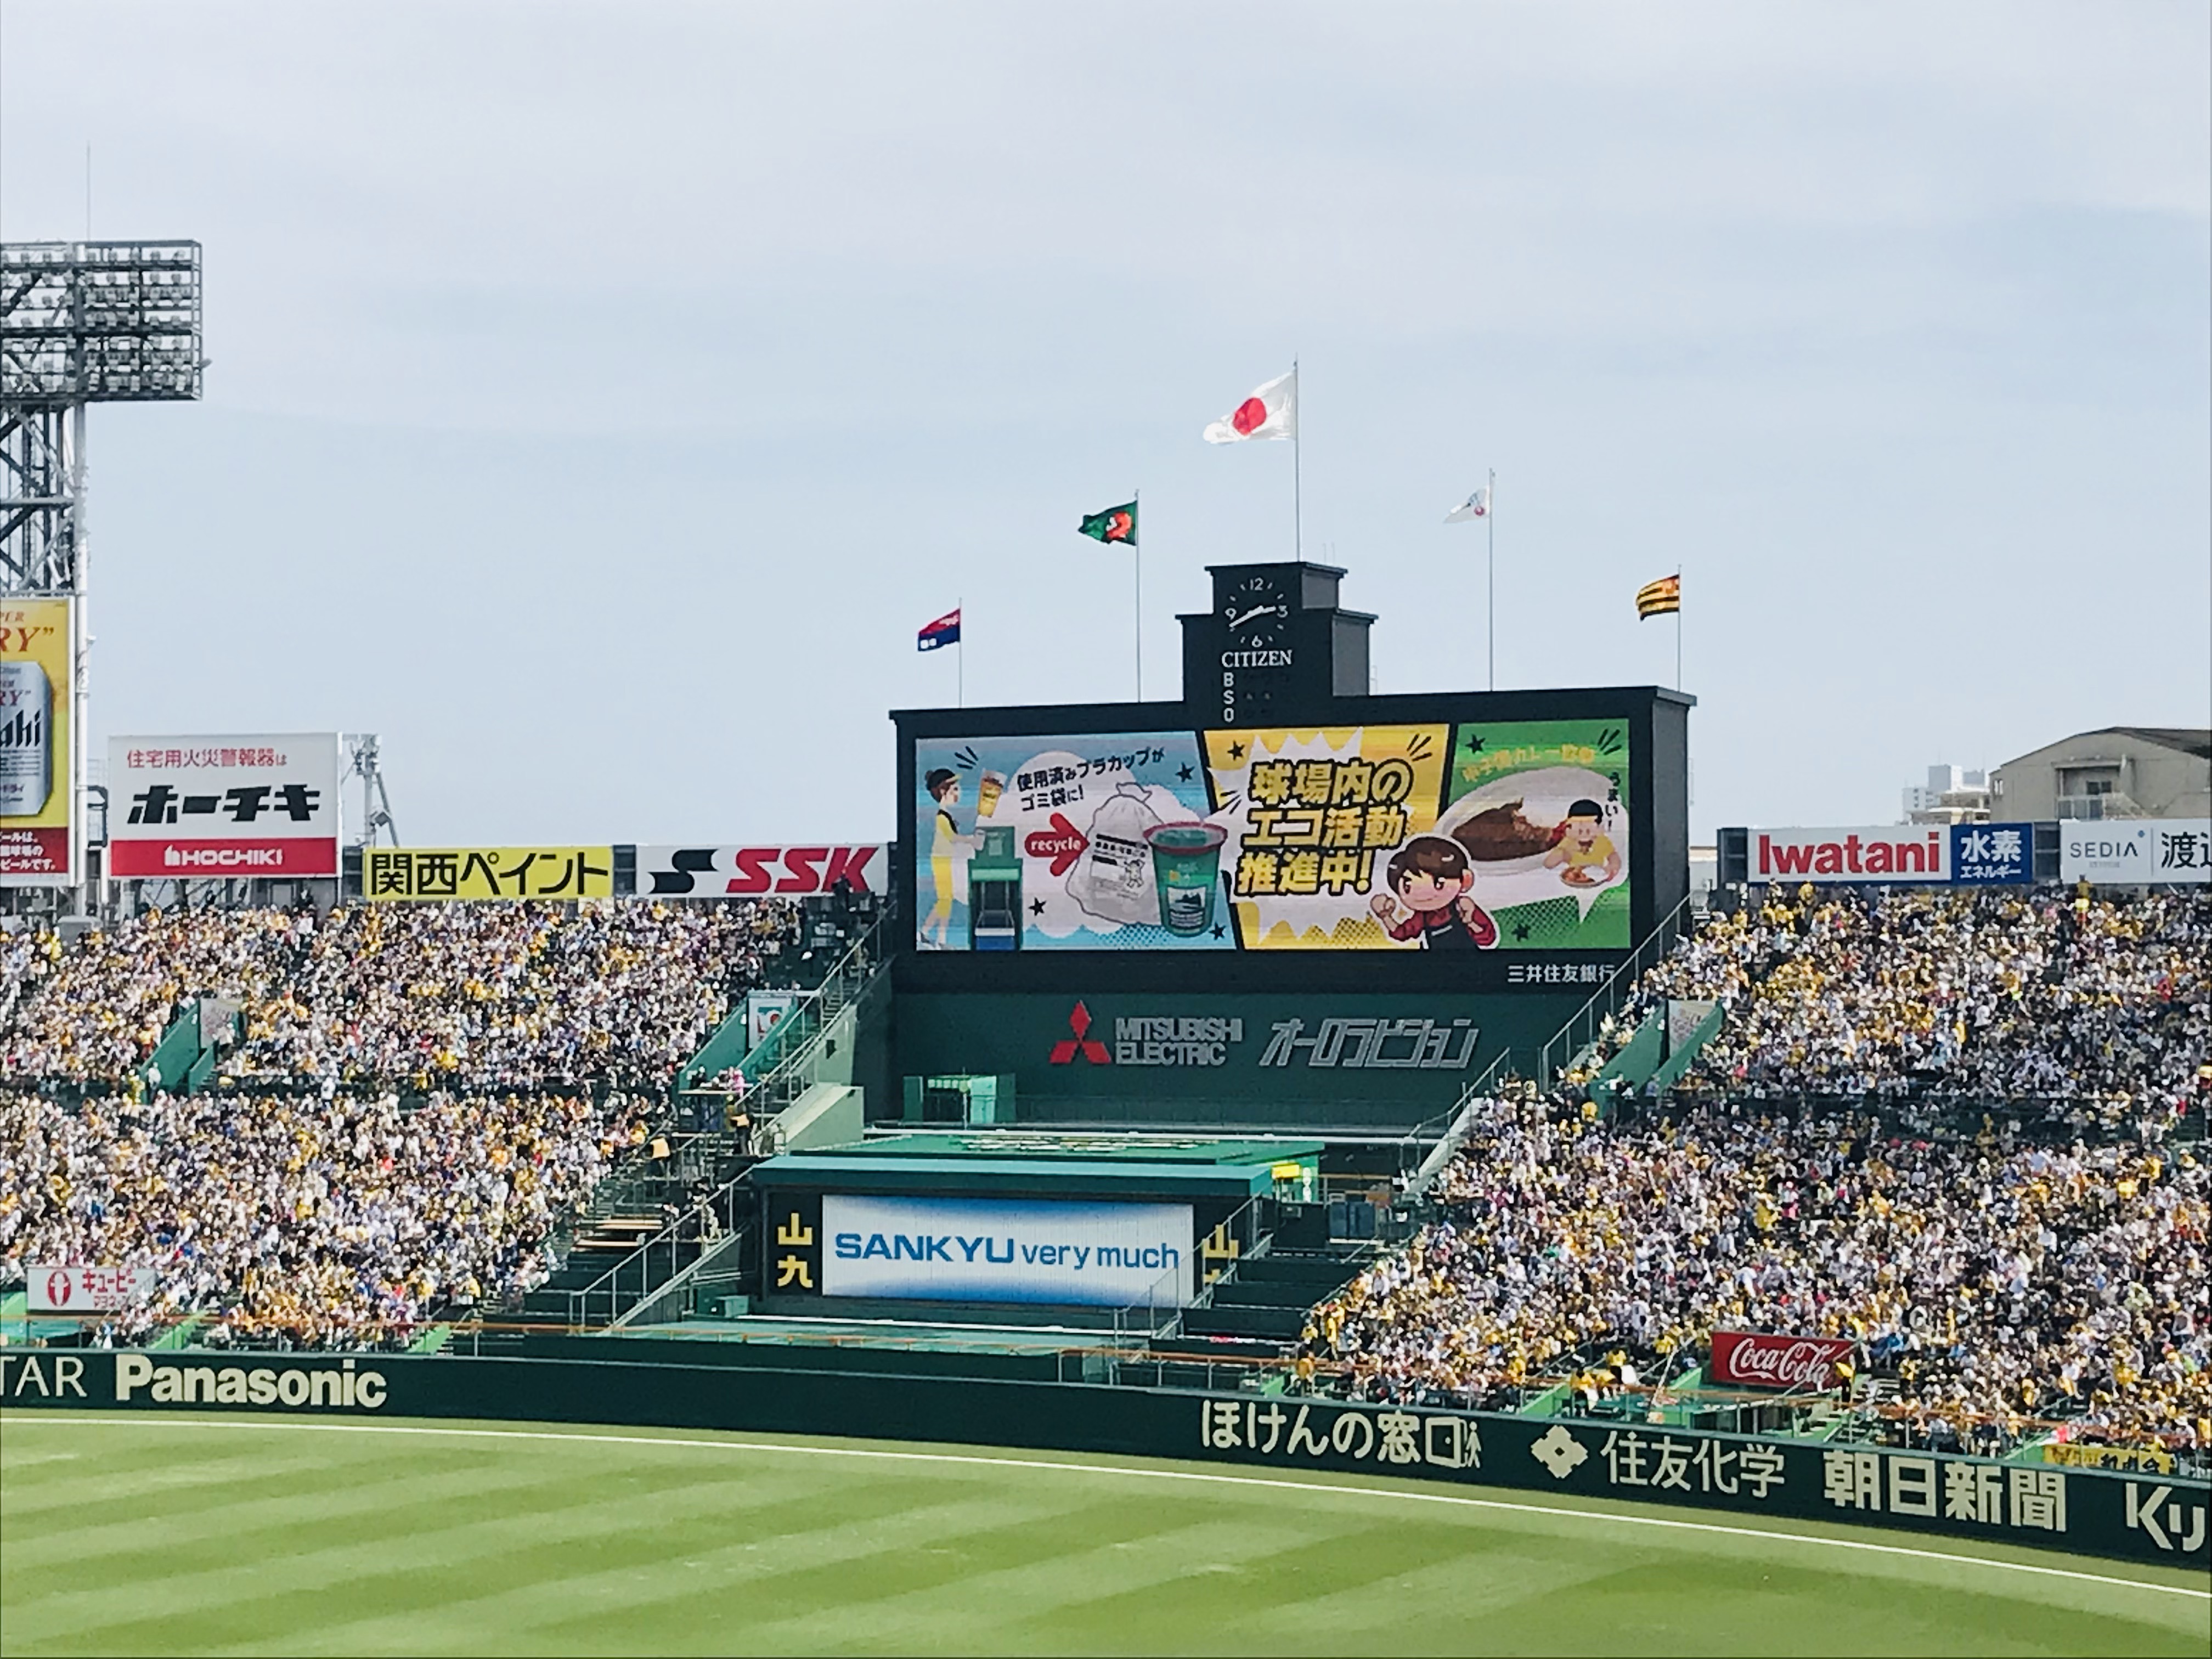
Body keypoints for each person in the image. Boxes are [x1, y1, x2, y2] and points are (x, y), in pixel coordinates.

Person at [1370, 836, 1497, 950]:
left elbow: (1487, 939)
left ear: (1466, 880)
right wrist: (1385, 916)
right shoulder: (1423, 917)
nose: (1423, 894)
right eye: (1407, 887)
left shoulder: (1462, 907)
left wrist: (1470, 921)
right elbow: (1402, 933)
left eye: (1439, 883)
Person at [922, 769, 973, 949]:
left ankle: (929, 933)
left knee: (946, 899)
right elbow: (952, 837)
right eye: (955, 789)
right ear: (943, 791)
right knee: (945, 899)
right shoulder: (942, 817)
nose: (959, 793)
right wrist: (972, 840)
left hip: (946, 859)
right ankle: (937, 938)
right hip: (941, 860)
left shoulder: (946, 815)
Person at [1544, 798, 1622, 888]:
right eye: (1579, 831)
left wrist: (1614, 867)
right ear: (1569, 829)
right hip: (1573, 879)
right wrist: (1562, 854)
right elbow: (1549, 864)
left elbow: (1613, 855)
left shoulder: (1602, 841)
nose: (1584, 834)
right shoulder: (1569, 842)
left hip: (1597, 877)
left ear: (1600, 828)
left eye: (1589, 831)